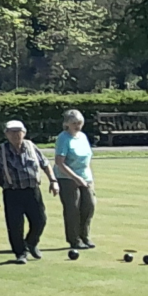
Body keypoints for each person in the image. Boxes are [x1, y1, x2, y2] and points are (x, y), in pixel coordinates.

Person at [0, 119, 55, 261]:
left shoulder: (31, 146)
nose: (15, 135)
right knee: (15, 225)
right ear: (6, 134)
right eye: (12, 132)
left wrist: (53, 181)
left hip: (32, 190)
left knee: (40, 221)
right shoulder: (0, 151)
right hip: (12, 193)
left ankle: (31, 242)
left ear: (24, 133)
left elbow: (45, 164)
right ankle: (20, 253)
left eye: (18, 132)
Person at [54, 109, 98, 254]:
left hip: (85, 176)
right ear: (67, 124)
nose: (77, 126)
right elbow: (60, 162)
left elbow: (86, 159)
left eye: (79, 123)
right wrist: (75, 178)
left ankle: (85, 236)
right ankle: (75, 240)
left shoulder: (83, 136)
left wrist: (87, 177)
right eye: (74, 123)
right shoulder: (63, 138)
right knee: (73, 208)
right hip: (66, 177)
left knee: (89, 206)